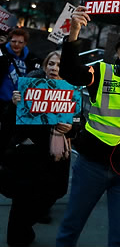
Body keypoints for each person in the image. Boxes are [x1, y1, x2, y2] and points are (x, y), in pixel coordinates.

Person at [56, 6, 120, 247]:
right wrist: (74, 32)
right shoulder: (102, 72)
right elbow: (69, 71)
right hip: (92, 165)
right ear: (117, 50)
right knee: (72, 226)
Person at [6, 50, 76, 247]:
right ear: (45, 66)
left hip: (55, 156)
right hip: (27, 153)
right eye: (51, 64)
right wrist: (14, 105)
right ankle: (17, 238)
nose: (55, 68)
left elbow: (80, 120)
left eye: (60, 65)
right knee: (21, 200)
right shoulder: (28, 85)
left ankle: (25, 227)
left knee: (52, 194)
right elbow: (9, 121)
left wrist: (71, 128)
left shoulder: (72, 90)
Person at [0, 28, 40, 159]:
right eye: (13, 41)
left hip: (19, 105)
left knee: (11, 136)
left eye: (20, 42)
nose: (16, 45)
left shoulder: (32, 58)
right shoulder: (2, 54)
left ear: (25, 43)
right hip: (2, 101)